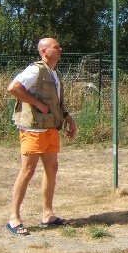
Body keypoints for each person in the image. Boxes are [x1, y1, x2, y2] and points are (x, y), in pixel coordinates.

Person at [5, 37, 77, 235]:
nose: (60, 49)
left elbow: (57, 102)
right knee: (27, 170)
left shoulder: (56, 73)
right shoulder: (35, 70)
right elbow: (13, 88)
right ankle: (14, 219)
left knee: (52, 169)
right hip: (33, 129)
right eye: (56, 47)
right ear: (44, 51)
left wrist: (68, 118)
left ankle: (48, 215)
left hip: (51, 128)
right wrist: (37, 104)